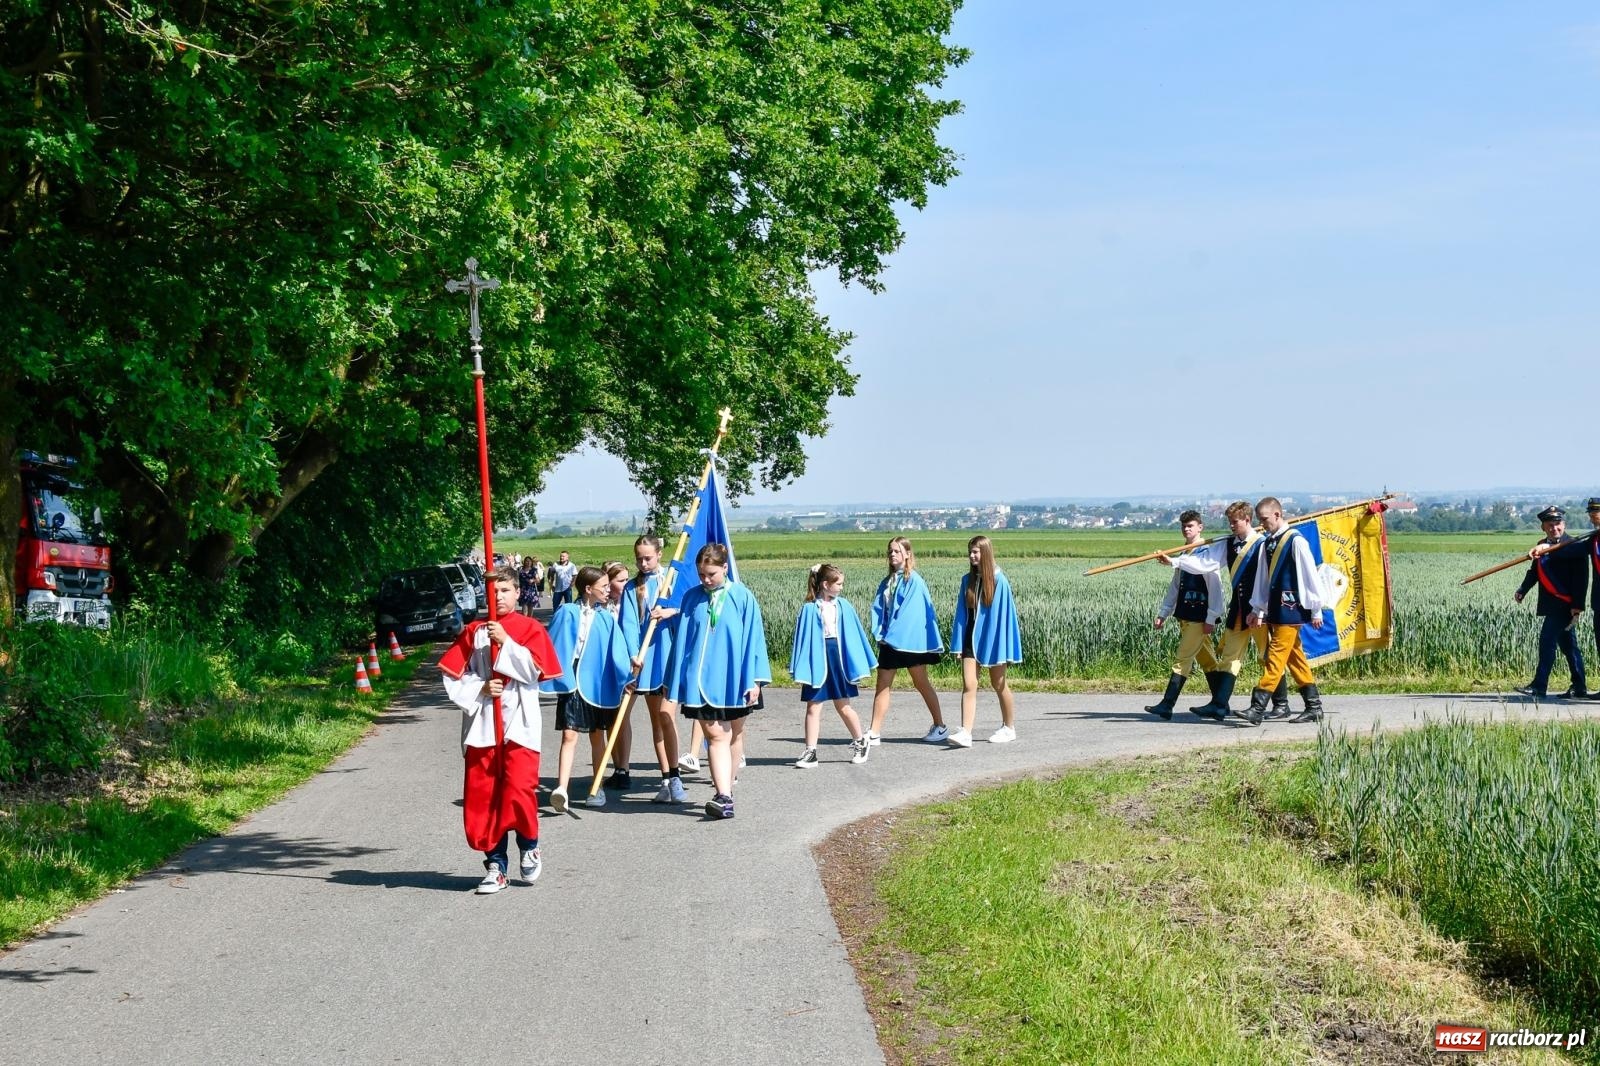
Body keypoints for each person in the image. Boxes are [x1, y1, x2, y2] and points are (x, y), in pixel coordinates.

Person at [440, 567, 561, 894]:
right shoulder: (474, 631)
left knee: (520, 789)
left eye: (505, 591)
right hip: (483, 726)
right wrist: (481, 687)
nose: (499, 598)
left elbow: (535, 672)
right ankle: (495, 864)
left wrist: (506, 642)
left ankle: (529, 844)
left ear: (518, 592)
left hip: (519, 725)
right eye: (493, 592)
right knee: (485, 796)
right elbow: (452, 676)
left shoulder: (530, 628)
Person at [663, 543, 770, 819]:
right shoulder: (691, 598)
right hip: (699, 681)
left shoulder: (743, 597)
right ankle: (723, 796)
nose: (706, 580)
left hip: (735, 679)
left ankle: (727, 792)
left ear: (725, 568)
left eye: (711, 574)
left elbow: (755, 640)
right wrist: (674, 680)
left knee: (733, 734)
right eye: (701, 575)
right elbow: (682, 642)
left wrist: (755, 680)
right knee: (715, 734)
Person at [541, 566, 632, 812]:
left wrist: (626, 676)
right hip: (572, 679)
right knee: (569, 734)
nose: (608, 589)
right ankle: (561, 788)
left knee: (596, 736)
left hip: (597, 681)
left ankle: (596, 786)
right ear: (588, 589)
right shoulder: (567, 611)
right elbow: (551, 643)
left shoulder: (606, 618)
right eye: (603, 586)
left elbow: (617, 651)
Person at [1239, 497, 1329, 726]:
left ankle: (1257, 707)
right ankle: (1314, 707)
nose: (1262, 524)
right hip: (1276, 610)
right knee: (1295, 657)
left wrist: (1316, 609)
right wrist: (1258, 608)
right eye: (1259, 520)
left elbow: (1310, 575)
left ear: (1277, 515)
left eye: (1265, 519)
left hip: (1291, 609)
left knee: (1275, 655)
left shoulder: (1296, 541)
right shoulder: (1268, 543)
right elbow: (1263, 579)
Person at [620, 535, 689, 803]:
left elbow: (689, 609)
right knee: (656, 721)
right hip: (646, 657)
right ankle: (665, 779)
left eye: (648, 557)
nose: (643, 562)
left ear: (659, 554)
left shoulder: (671, 580)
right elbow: (627, 624)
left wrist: (671, 612)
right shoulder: (631, 588)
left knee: (666, 715)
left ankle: (677, 776)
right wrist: (632, 655)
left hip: (670, 653)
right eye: (639, 558)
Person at [1188, 501, 1271, 720]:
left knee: (1267, 655)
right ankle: (1219, 704)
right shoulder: (1229, 544)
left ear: (1247, 520)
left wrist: (1260, 610)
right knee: (1229, 656)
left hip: (1258, 610)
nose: (1231, 526)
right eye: (1230, 522)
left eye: (1235, 522)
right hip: (1239, 609)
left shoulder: (1261, 543)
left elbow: (1265, 581)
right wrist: (1175, 563)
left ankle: (1281, 704)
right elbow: (1206, 563)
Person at [788, 564, 874, 767]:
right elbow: (803, 640)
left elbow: (854, 635)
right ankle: (811, 751)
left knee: (843, 706)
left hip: (838, 659)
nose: (842, 588)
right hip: (817, 660)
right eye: (839, 584)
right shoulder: (809, 609)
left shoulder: (844, 606)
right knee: (813, 706)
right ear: (825, 584)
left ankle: (861, 741)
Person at [865, 537, 949, 746]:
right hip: (889, 640)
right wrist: (879, 633)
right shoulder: (888, 582)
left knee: (920, 682)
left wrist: (890, 636)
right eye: (890, 551)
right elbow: (879, 609)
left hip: (908, 640)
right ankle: (874, 731)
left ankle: (939, 725)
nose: (892, 555)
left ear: (907, 554)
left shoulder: (914, 581)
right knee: (883, 684)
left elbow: (911, 613)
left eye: (896, 551)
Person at [1144, 511, 1224, 720]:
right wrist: (1164, 612)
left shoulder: (1207, 554)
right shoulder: (1184, 554)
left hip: (1200, 617)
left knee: (1183, 659)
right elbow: (1175, 587)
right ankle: (1220, 704)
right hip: (1184, 615)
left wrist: (1211, 617)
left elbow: (1216, 587)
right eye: (1184, 526)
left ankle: (1167, 704)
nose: (1186, 529)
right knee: (1208, 661)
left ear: (1200, 527)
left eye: (1190, 525)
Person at [947, 536, 1022, 746]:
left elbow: (1002, 618)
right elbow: (961, 615)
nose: (971, 556)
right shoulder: (966, 581)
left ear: (986, 553)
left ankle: (1009, 727)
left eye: (976, 552)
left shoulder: (1000, 581)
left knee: (999, 684)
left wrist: (999, 647)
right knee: (969, 685)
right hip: (970, 640)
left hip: (993, 641)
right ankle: (966, 732)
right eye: (970, 552)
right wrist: (957, 644)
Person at [1516, 505, 1589, 700]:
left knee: (1546, 641)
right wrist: (1523, 589)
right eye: (1550, 525)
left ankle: (1539, 687)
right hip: (1550, 604)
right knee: (1569, 647)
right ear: (1543, 527)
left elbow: (1581, 579)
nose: (1554, 528)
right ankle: (1579, 687)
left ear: (1564, 524)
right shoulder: (1541, 545)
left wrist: (1577, 605)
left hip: (1565, 605)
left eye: (1558, 525)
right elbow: (1534, 572)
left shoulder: (1574, 545)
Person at [600, 561, 633, 786]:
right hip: (605, 666)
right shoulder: (602, 606)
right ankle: (616, 765)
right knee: (611, 719)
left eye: (626, 580)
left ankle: (624, 767)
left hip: (626, 666)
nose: (625, 584)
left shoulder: (630, 603)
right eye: (620, 580)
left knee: (623, 716)